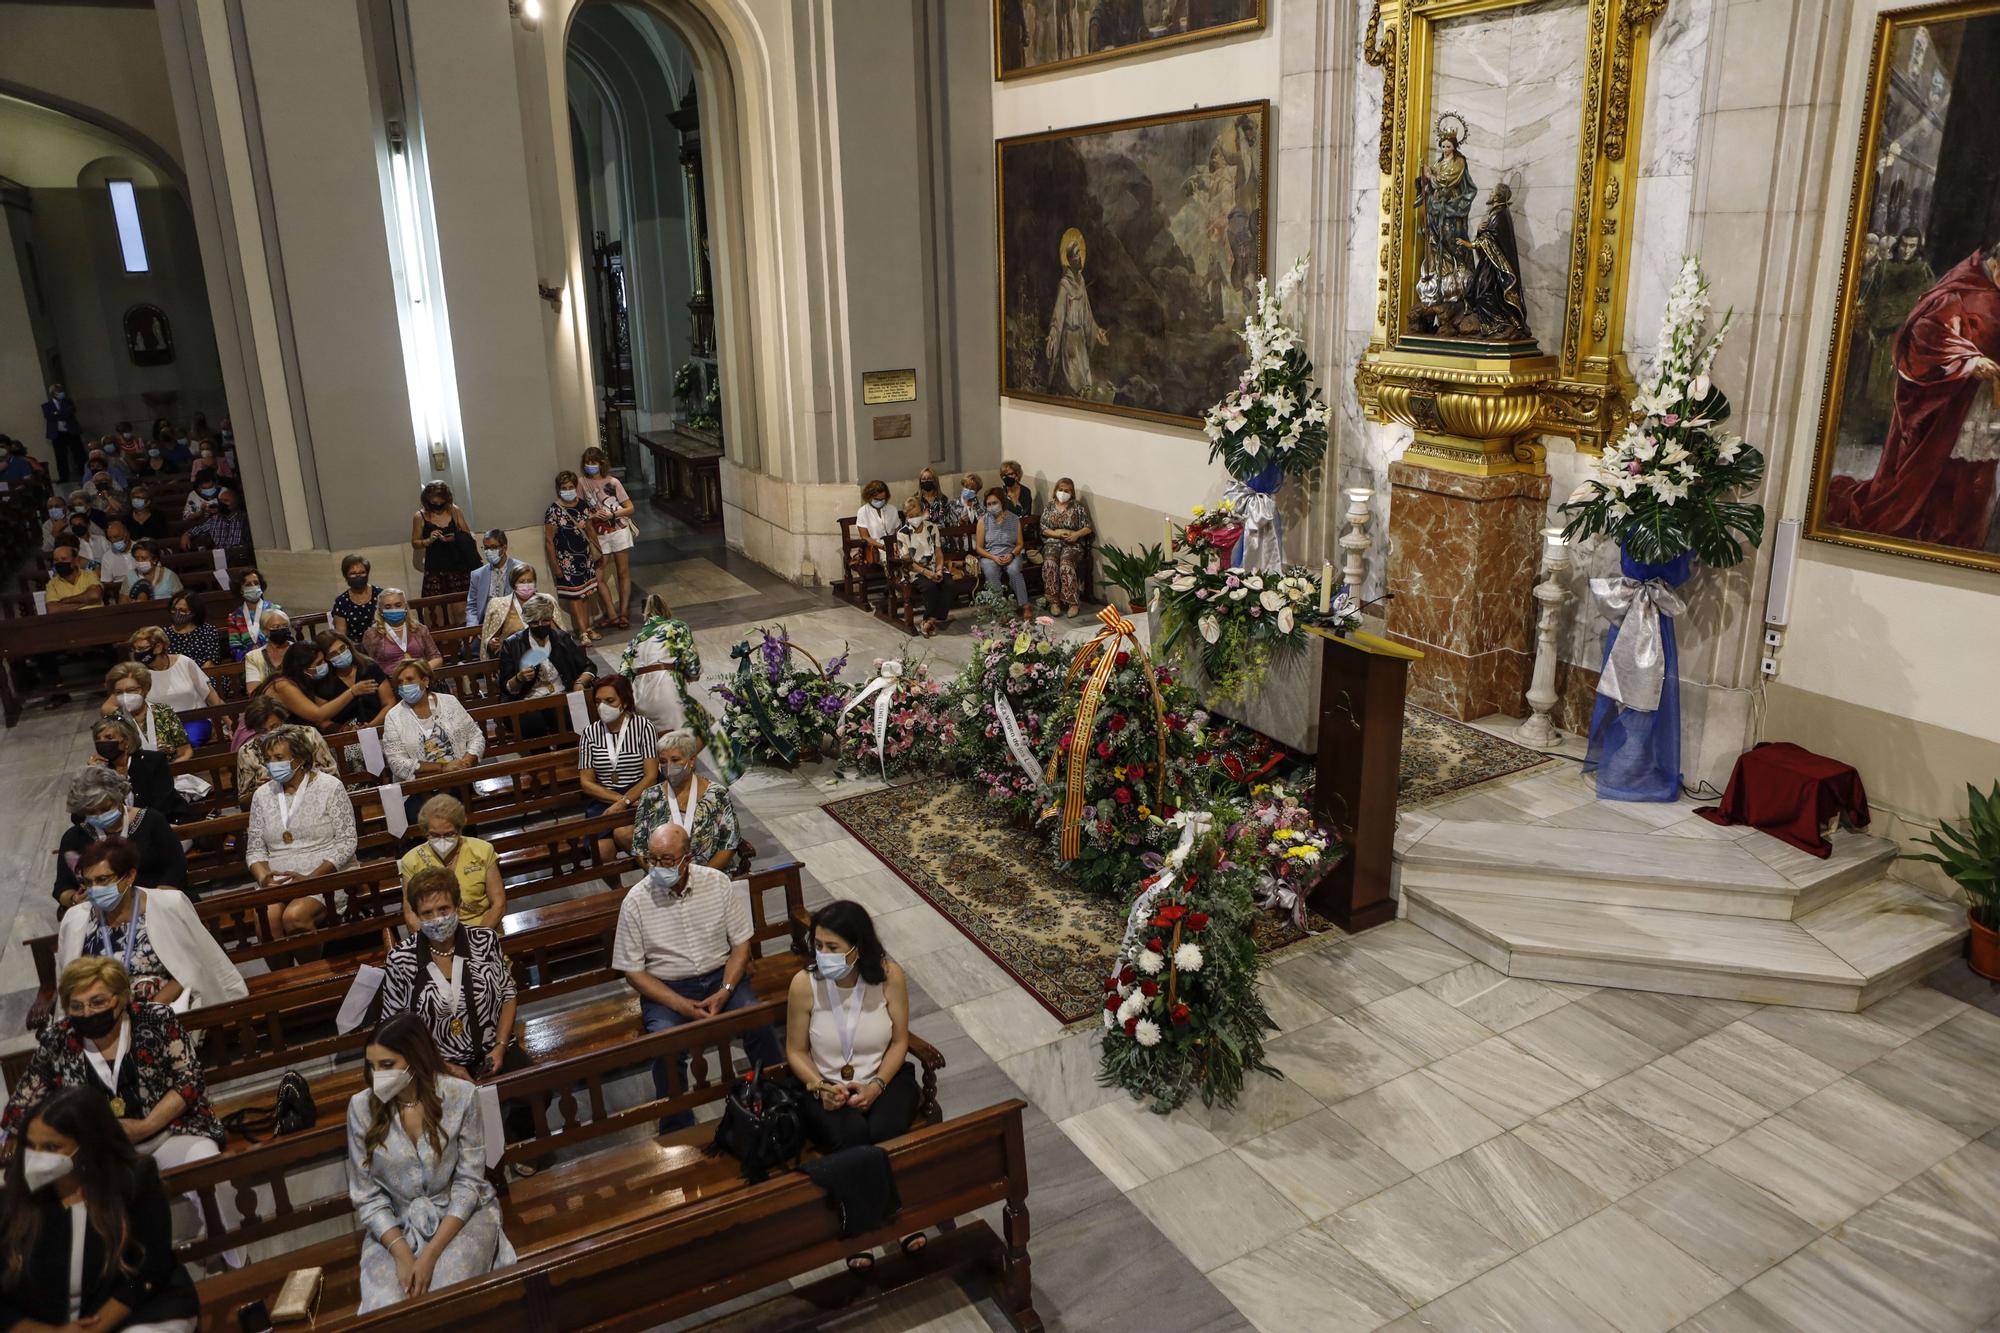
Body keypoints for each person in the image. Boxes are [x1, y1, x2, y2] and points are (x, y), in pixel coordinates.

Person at [0, 958, 240, 1270]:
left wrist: (147, 1125)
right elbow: (24, 1099)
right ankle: (89, 1280)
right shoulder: (59, 1038)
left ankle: (230, 1255)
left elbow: (189, 1080)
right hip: (98, 1150)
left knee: (209, 1169)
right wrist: (16, 1132)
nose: (87, 1013)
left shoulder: (155, 1019)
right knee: (37, 1184)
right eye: (77, 1006)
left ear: (121, 998)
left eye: (97, 1002)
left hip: (167, 1133)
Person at [1827, 240, 2000, 550]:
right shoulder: (1960, 288)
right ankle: (1935, 536)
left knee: (1977, 476)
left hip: (1988, 404)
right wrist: (1970, 361)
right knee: (1944, 474)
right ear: (1996, 264)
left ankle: (1965, 540)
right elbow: (1924, 334)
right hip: (1954, 403)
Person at [612, 824, 782, 1130]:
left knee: (757, 1020)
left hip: (722, 977)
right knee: (665, 1044)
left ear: (686, 858)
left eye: (666, 860)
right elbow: (633, 973)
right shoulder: (636, 901)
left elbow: (741, 945)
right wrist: (680, 1005)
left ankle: (773, 1101)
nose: (657, 867)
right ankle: (677, 1125)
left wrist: (727, 989)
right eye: (652, 859)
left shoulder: (716, 883)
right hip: (667, 988)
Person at [345, 1016, 516, 1312]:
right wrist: (402, 1254)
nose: (376, 1077)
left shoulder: (460, 1096)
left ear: (414, 1059)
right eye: (371, 1066)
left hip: (458, 1217)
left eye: (387, 1065)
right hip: (397, 1227)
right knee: (389, 1307)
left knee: (445, 1297)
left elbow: (468, 1183)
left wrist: (430, 1255)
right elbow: (367, 1196)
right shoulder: (361, 1108)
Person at [0, 1088, 201, 1333]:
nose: (37, 1157)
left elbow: (149, 1270)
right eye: (31, 1146)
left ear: (87, 1145)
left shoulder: (134, 1182)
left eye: (51, 1147)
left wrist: (94, 1329)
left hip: (140, 1311)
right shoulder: (14, 1202)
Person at [784, 899, 922, 1155]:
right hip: (825, 1088)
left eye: (832, 947)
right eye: (818, 946)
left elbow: (899, 1041)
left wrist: (875, 1086)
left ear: (857, 948)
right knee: (853, 1137)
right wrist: (821, 1087)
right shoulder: (804, 984)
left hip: (883, 1079)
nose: (823, 954)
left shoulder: (889, 977)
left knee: (885, 1133)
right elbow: (796, 1051)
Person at [57, 837, 246, 1012]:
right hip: (101, 1015)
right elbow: (71, 982)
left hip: (167, 1008)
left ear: (129, 876)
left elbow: (192, 966)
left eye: (103, 880)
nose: (95, 889)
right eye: (89, 883)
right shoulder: (76, 919)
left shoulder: (169, 904)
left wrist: (154, 1007)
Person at [245, 725, 358, 941]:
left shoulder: (330, 787)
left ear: (299, 758)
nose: (272, 765)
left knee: (295, 916)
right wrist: (264, 879)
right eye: (269, 759)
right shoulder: (262, 795)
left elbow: (347, 842)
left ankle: (313, 974)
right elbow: (255, 850)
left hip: (322, 876)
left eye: (279, 757)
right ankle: (283, 976)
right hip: (278, 882)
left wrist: (310, 879)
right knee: (266, 920)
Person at [54, 769, 187, 910]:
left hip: (155, 903)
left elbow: (176, 867)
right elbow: (62, 887)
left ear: (119, 798)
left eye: (105, 809)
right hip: (101, 912)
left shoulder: (152, 821)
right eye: (91, 812)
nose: (99, 816)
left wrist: (156, 901)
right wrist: (74, 899)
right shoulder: (74, 837)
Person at [618, 593, 727, 762]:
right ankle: (683, 770)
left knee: (656, 740)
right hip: (666, 687)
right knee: (704, 729)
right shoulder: (677, 626)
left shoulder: (635, 639)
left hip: (640, 694)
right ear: (666, 609)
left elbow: (623, 675)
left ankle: (666, 771)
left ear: (644, 614)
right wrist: (691, 674)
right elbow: (691, 661)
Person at [631, 729, 743, 873]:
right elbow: (639, 848)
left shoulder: (717, 794)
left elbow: (728, 845)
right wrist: (657, 875)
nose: (669, 767)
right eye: (663, 761)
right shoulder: (650, 796)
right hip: (662, 878)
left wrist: (700, 879)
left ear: (691, 760)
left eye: (675, 760)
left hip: (710, 875)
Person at [577, 677, 657, 859]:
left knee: (624, 833)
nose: (602, 707)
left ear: (625, 701)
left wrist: (625, 802)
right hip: (606, 798)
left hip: (640, 795)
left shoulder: (644, 727)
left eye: (609, 701)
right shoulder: (590, 734)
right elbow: (586, 782)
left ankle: (657, 875)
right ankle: (619, 888)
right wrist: (620, 800)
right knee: (601, 850)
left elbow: (651, 776)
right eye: (598, 702)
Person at [396, 797, 503, 932]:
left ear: (459, 829)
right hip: (435, 936)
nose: (442, 840)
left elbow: (498, 904)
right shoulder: (411, 860)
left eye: (449, 834)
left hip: (481, 931)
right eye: (434, 835)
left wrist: (477, 939)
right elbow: (411, 915)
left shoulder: (482, 850)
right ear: (425, 832)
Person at [497, 595, 596, 734]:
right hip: (530, 700)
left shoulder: (561, 638)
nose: (540, 626)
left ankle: (570, 750)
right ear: (528, 622)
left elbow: (589, 666)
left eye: (545, 621)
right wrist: (519, 678)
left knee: (569, 716)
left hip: (561, 695)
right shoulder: (512, 644)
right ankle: (542, 754)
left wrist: (580, 683)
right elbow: (506, 687)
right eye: (535, 623)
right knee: (532, 722)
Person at [380, 660, 485, 788]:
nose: (404, 686)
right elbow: (396, 762)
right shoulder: (393, 716)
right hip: (419, 786)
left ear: (425, 681)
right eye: (400, 682)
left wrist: (466, 762)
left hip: (459, 777)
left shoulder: (449, 702)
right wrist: (443, 768)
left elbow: (476, 736)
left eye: (409, 679)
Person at [233, 697, 337, 807]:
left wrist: (302, 779)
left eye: (275, 726)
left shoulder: (309, 735)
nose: (270, 733)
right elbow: (243, 804)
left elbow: (334, 777)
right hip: (272, 810)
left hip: (315, 803)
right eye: (262, 731)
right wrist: (261, 791)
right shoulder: (248, 752)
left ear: (283, 720)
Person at [259, 640, 376, 732]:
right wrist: (352, 692)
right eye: (319, 663)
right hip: (263, 733)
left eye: (324, 661)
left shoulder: (305, 681)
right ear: (303, 668)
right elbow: (318, 715)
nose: (325, 665)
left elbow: (325, 714)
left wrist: (344, 729)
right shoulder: (282, 685)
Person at [86, 718, 184, 825]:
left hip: (164, 822)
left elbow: (162, 804)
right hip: (121, 830)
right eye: (97, 739)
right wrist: (93, 776)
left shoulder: (153, 761)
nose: (102, 743)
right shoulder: (102, 771)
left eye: (109, 738)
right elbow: (80, 815)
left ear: (126, 741)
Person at [579, 446, 636, 629]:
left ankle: (624, 612)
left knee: (623, 572)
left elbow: (630, 508)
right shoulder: (582, 483)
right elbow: (579, 508)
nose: (590, 466)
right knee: (598, 575)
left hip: (618, 530)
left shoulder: (613, 482)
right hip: (598, 535)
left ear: (601, 463)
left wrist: (612, 515)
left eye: (593, 463)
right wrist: (591, 517)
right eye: (587, 463)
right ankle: (611, 613)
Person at [544, 471, 602, 642]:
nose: (568, 490)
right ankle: (582, 632)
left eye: (570, 487)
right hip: (567, 561)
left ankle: (586, 627)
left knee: (585, 594)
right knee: (575, 596)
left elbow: (590, 529)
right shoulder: (553, 511)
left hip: (584, 558)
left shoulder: (582, 505)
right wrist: (555, 566)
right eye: (564, 488)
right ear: (558, 489)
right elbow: (549, 541)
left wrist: (598, 550)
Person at [97, 664, 192, 763]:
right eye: (119, 692)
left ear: (145, 689)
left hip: (173, 773)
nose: (125, 696)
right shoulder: (113, 721)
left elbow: (186, 752)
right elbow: (109, 760)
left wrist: (165, 773)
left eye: (131, 690)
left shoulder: (164, 712)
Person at [895, 494, 959, 636]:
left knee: (949, 583)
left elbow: (938, 552)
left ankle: (930, 620)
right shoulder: (902, 533)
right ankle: (929, 619)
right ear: (906, 517)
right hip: (915, 571)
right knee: (930, 586)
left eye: (917, 514)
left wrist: (939, 569)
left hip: (934, 567)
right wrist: (927, 573)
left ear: (923, 512)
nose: (915, 518)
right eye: (911, 516)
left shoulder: (932, 527)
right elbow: (907, 561)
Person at [315, 629, 392, 730]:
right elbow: (323, 721)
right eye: (333, 654)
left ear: (349, 646)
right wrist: (344, 730)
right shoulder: (322, 682)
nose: (340, 654)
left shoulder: (369, 667)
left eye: (342, 648)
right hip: (345, 737)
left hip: (380, 727)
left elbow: (389, 703)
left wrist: (371, 726)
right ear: (326, 659)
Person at [412, 481, 477, 599]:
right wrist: (428, 540)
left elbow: (468, 536)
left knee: (461, 606)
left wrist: (455, 538)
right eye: (434, 503)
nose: (438, 505)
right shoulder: (419, 516)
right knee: (436, 610)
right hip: (435, 567)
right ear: (427, 500)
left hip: (458, 565)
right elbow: (415, 543)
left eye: (441, 502)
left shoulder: (454, 511)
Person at [1040, 477, 1094, 618]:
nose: (1063, 492)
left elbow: (1088, 527)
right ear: (1056, 490)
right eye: (1061, 490)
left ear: (1072, 492)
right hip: (1053, 542)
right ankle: (1054, 602)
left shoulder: (1077, 507)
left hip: (1072, 544)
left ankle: (1073, 603)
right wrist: (1056, 535)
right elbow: (1043, 528)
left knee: (1066, 564)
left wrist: (1076, 535)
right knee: (1050, 562)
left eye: (1067, 490)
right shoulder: (1049, 507)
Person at [974, 486, 1030, 619]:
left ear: (1002, 502)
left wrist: (1011, 555)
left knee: (1014, 570)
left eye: (995, 503)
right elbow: (979, 548)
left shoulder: (1014, 519)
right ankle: (1000, 607)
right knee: (990, 571)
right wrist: (993, 557)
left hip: (1011, 553)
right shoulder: (983, 521)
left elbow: (1020, 544)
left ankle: (1025, 605)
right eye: (989, 504)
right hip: (990, 555)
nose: (992, 506)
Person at [362, 588, 442, 676]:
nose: (393, 609)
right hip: (391, 684)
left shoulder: (420, 629)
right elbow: (368, 666)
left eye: (398, 605)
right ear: (380, 610)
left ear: (405, 606)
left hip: (422, 678)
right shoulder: (372, 635)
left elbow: (436, 658)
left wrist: (419, 673)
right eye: (388, 607)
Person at [464, 528, 531, 630]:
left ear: (504, 548)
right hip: (486, 625)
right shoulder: (477, 575)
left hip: (514, 623)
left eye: (493, 547)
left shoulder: (521, 570)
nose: (489, 551)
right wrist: (473, 629)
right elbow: (472, 606)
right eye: (486, 548)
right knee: (471, 646)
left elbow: (529, 601)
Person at [478, 562, 538, 661]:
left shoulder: (545, 601)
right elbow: (491, 639)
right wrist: (491, 642)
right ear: (513, 584)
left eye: (530, 581)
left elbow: (558, 633)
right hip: (513, 656)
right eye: (522, 582)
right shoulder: (499, 605)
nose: (526, 585)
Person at [223, 571, 279, 660]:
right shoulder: (234, 617)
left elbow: (284, 639)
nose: (253, 586)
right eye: (248, 584)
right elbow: (235, 648)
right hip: (249, 663)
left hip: (276, 659)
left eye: (256, 583)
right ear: (240, 590)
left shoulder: (275, 610)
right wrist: (251, 656)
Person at [178, 485, 249, 551]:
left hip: (239, 555)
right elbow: (199, 529)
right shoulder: (215, 519)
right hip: (220, 556)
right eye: (220, 501)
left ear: (235, 503)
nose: (222, 503)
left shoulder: (244, 519)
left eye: (226, 501)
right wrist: (186, 535)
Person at [850, 479, 901, 569]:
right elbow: (865, 537)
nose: (880, 502)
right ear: (869, 497)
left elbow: (898, 532)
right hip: (876, 547)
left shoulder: (892, 509)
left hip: (894, 545)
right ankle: (896, 580)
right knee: (889, 558)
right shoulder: (863, 512)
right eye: (877, 499)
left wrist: (896, 545)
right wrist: (883, 546)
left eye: (883, 499)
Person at [163, 594, 224, 667]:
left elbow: (210, 662)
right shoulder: (163, 634)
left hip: (205, 675)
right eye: (173, 609)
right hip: (175, 676)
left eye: (182, 610)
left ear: (193, 612)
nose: (177, 613)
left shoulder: (207, 630)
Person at [331, 554, 382, 641]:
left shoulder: (380, 595)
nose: (358, 576)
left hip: (381, 644)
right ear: (346, 576)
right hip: (355, 647)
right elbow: (341, 636)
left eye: (362, 572)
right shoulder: (342, 601)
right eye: (353, 573)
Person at [241, 609, 294, 690]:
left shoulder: (299, 649)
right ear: (264, 630)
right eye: (276, 627)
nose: (282, 629)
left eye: (285, 626)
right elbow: (252, 690)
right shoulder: (253, 657)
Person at [42, 380, 84, 481]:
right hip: (57, 434)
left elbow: (69, 413)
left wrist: (57, 413)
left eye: (61, 390)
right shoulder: (46, 405)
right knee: (60, 457)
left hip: (71, 431)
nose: (61, 393)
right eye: (58, 391)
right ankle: (63, 477)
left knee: (79, 453)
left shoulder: (68, 402)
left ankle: (83, 474)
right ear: (52, 393)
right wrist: (60, 414)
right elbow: (49, 417)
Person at [44, 539, 103, 611]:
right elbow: (53, 609)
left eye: (64, 558)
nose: (60, 562)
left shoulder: (88, 572)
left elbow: (94, 595)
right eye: (56, 559)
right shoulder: (53, 581)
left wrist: (67, 600)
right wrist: (87, 601)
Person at [98, 521, 137, 594]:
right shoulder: (107, 557)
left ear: (127, 535)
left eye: (116, 537)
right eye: (110, 538)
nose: (113, 541)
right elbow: (107, 584)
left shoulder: (141, 549)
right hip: (120, 593)